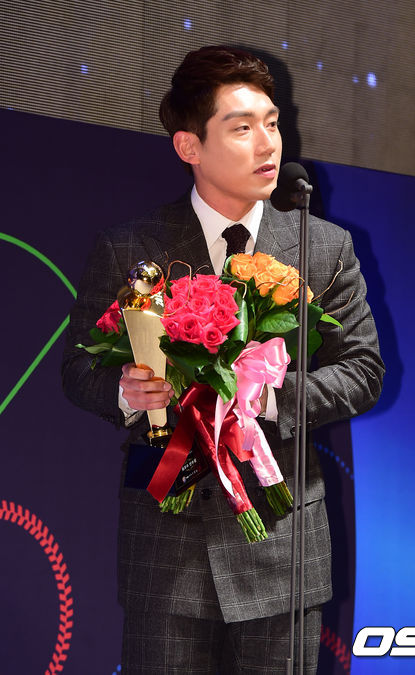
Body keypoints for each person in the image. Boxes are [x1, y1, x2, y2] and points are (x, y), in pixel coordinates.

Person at [62, 45, 384, 674]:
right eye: (242, 128)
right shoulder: (131, 248)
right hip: (166, 550)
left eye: (273, 124)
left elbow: (363, 371)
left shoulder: (322, 248)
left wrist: (268, 396)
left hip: (283, 546)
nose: (268, 144)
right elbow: (78, 370)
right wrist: (127, 392)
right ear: (190, 146)